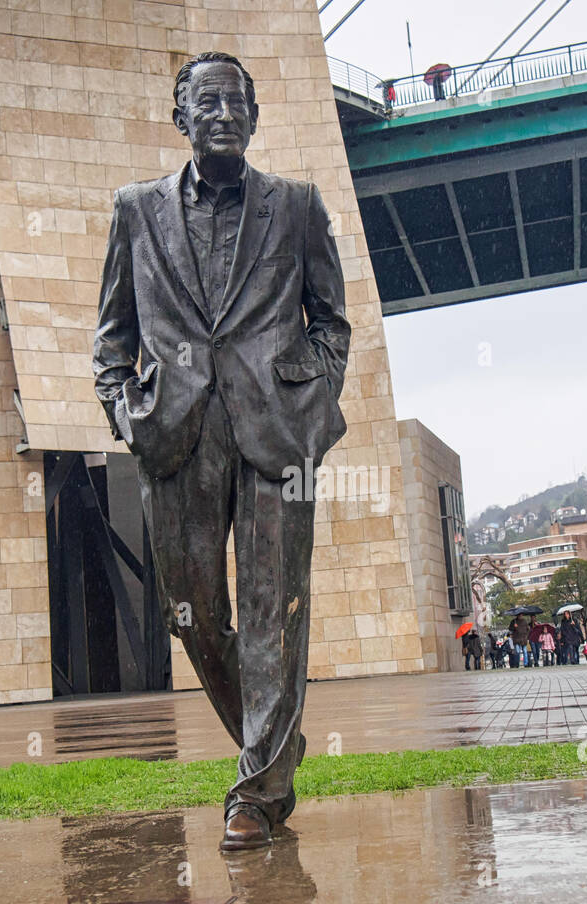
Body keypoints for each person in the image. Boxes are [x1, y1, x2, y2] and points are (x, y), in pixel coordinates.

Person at [93, 52, 350, 852]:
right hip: (177, 438)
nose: (224, 115)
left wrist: (311, 397)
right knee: (194, 615)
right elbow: (112, 338)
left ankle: (256, 791)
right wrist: (127, 409)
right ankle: (276, 744)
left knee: (274, 615)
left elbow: (331, 320)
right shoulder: (136, 211)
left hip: (277, 435)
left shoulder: (297, 206)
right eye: (207, 104)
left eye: (237, 103)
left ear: (255, 116)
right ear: (181, 118)